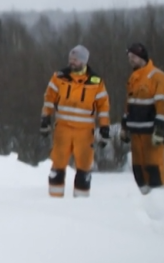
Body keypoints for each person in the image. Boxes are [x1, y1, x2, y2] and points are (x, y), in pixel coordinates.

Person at [39, 44, 111, 198]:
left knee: (84, 169)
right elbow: (49, 98)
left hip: (84, 132)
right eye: (70, 59)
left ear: (84, 62)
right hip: (62, 130)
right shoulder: (59, 77)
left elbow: (103, 107)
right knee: (57, 166)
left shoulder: (96, 82)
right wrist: (45, 118)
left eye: (75, 60)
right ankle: (54, 201)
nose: (72, 62)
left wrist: (104, 128)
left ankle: (80, 206)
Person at [121, 42, 164, 194]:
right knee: (138, 169)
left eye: (134, 57)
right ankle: (144, 202)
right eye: (129, 57)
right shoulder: (133, 78)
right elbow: (128, 105)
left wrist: (160, 129)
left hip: (152, 133)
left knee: (154, 167)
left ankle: (159, 202)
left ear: (142, 57)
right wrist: (124, 127)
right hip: (136, 133)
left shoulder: (157, 76)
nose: (131, 60)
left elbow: (163, 104)